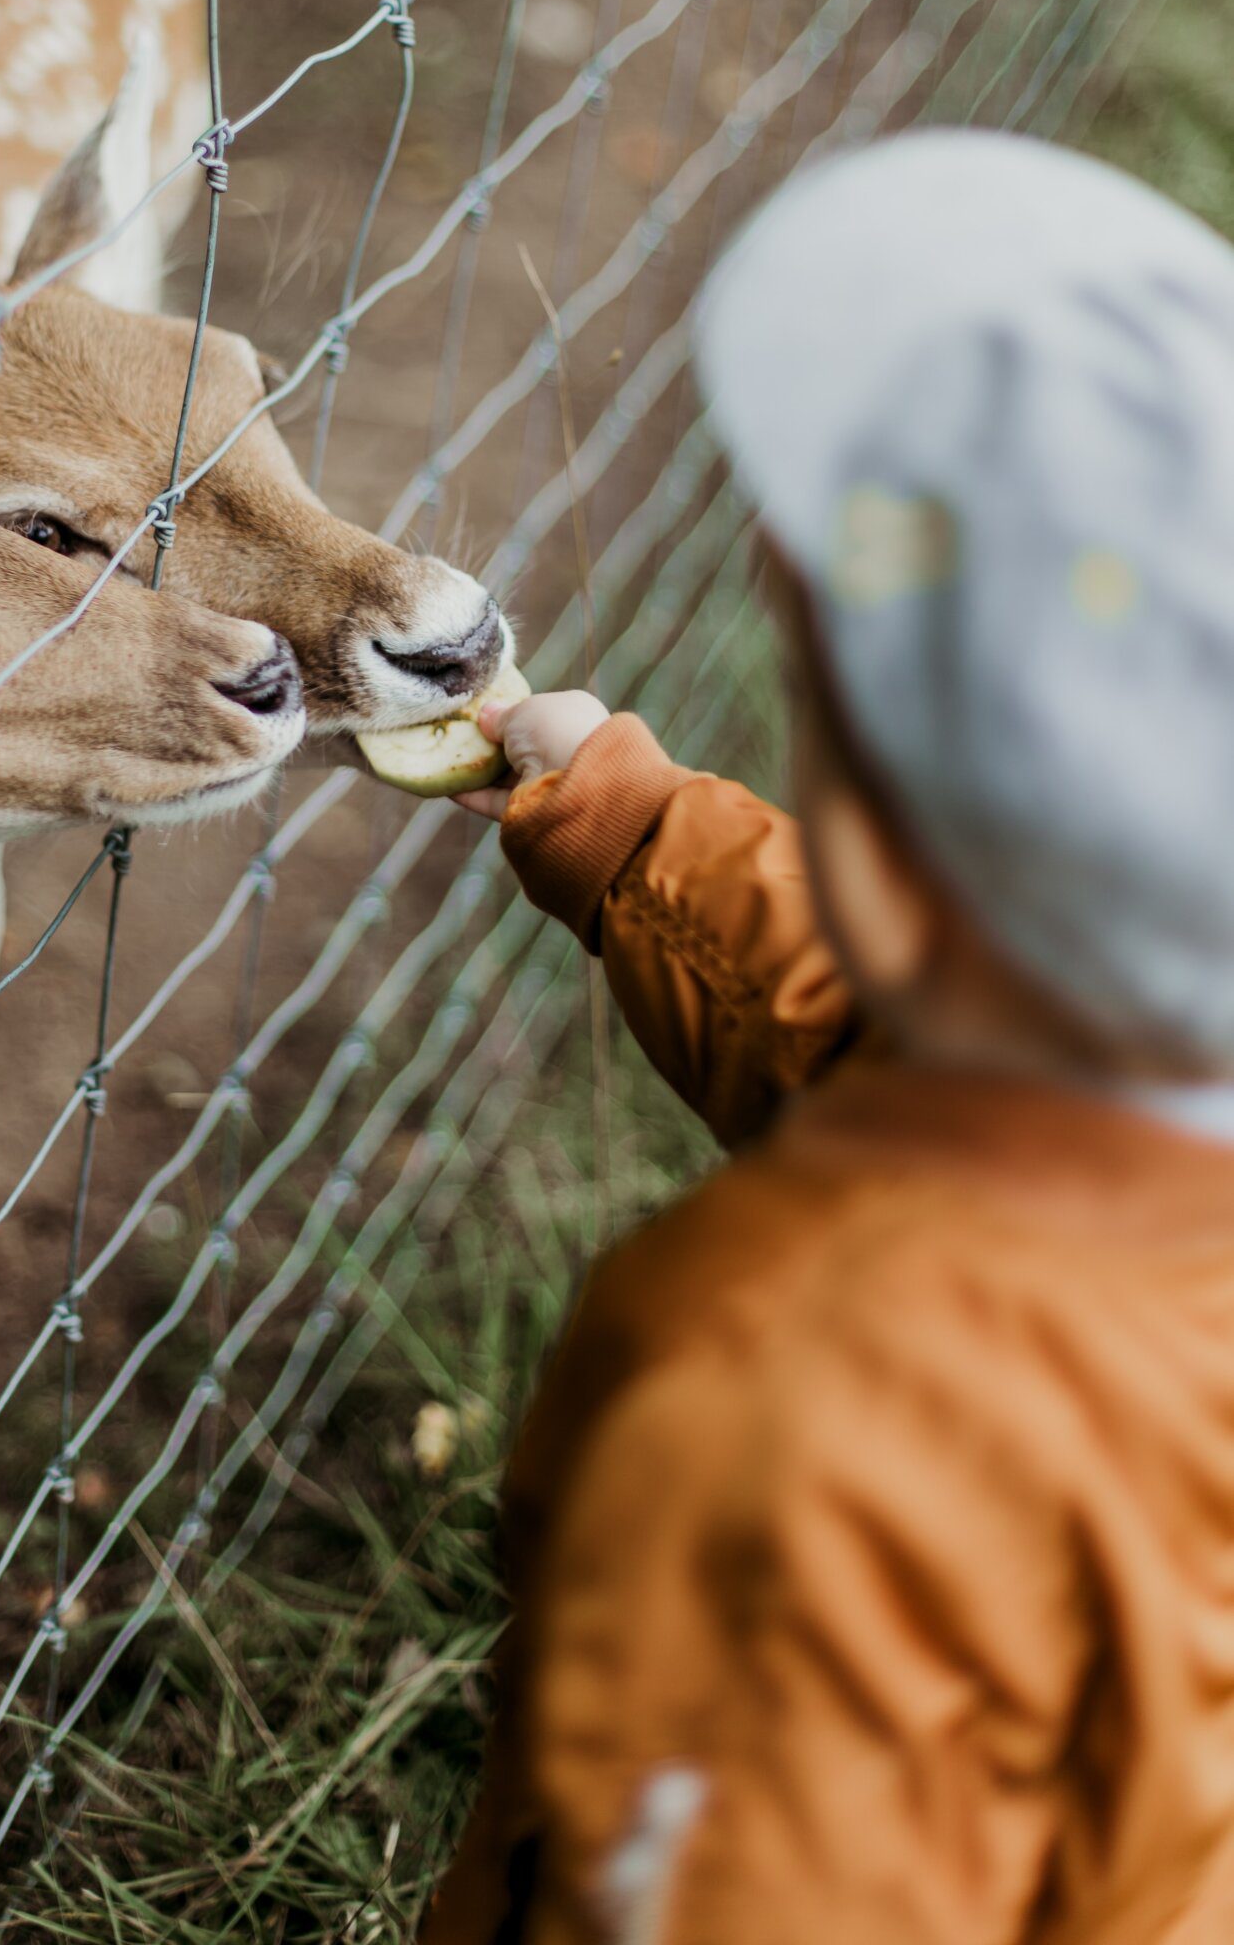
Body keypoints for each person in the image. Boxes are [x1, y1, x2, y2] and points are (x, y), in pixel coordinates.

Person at [421, 130, 1234, 1945]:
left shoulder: (807, 1417)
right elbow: (911, 1059)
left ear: (879, 815)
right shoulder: (1158, 1134)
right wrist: (632, 834)